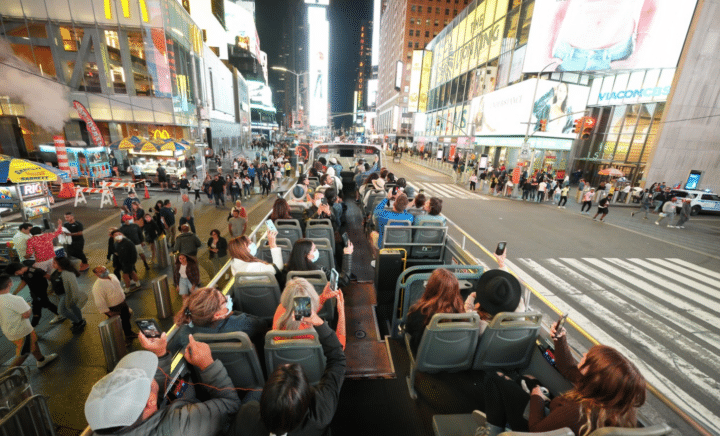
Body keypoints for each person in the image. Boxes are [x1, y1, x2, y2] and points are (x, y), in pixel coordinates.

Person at [476, 320, 646, 436]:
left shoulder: (576, 413)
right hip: (554, 418)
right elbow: (569, 370)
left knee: (495, 378)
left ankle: (492, 431)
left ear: (595, 378)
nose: (585, 354)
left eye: (589, 359)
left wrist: (537, 396)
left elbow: (536, 431)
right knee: (528, 379)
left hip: (537, 428)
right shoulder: (612, 403)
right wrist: (560, 340)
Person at [84, 335, 240, 435]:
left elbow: (147, 394)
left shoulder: (106, 423)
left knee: (183, 386)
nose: (150, 376)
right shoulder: (179, 426)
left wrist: (161, 355)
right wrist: (208, 365)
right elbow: (231, 405)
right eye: (147, 377)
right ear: (150, 401)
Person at [227, 310, 346, 436]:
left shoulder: (245, 416)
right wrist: (320, 324)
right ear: (307, 399)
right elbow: (338, 360)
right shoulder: (320, 415)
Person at [168, 287, 265, 354]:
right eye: (224, 301)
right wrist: (232, 313)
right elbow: (262, 324)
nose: (228, 298)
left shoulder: (185, 331)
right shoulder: (241, 323)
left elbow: (170, 351)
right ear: (217, 315)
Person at [403, 268, 471, 355]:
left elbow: (410, 330)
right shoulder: (462, 314)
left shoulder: (420, 311)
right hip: (454, 358)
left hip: (425, 359)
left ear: (430, 287)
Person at [0, 275, 58, 368]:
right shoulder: (16, 299)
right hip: (21, 332)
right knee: (25, 353)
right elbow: (26, 314)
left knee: (33, 342)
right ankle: (6, 376)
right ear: (10, 284)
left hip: (9, 331)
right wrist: (28, 306)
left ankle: (41, 360)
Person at [274, 278, 347, 348]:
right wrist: (341, 313)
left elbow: (303, 312)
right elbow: (339, 348)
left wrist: (323, 297)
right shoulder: (309, 334)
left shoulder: (280, 309)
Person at [91, 266, 136, 340]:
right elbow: (99, 301)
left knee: (126, 318)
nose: (104, 272)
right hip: (114, 308)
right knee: (118, 324)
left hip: (122, 303)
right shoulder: (97, 286)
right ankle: (121, 340)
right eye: (101, 271)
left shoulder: (112, 276)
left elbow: (118, 287)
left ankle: (129, 333)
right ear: (96, 274)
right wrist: (108, 312)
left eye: (104, 270)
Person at [50, 257, 87, 333]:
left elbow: (74, 288)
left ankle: (77, 321)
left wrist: (74, 298)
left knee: (61, 311)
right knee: (74, 307)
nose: (52, 264)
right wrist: (50, 290)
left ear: (60, 264)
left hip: (66, 295)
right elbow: (53, 282)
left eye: (54, 263)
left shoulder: (68, 274)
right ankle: (80, 320)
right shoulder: (55, 271)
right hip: (60, 294)